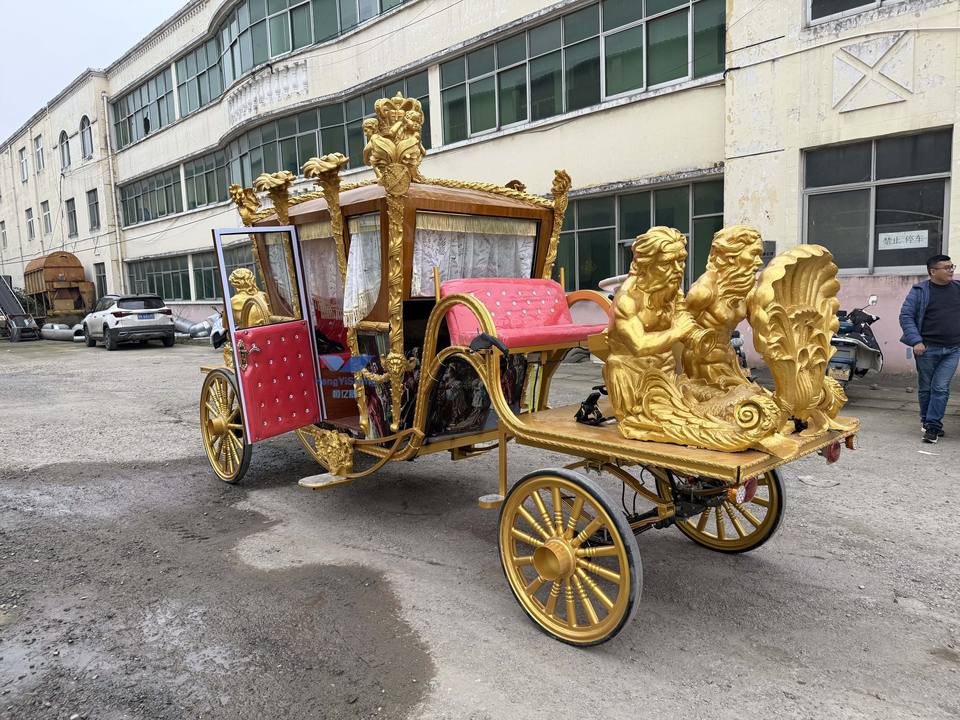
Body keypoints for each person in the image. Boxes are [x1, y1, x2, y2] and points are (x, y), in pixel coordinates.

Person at [899, 254, 960, 443]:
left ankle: (933, 426)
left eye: (952, 266)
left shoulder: (958, 288)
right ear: (933, 271)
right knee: (926, 388)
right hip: (926, 349)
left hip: (953, 349)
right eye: (946, 268)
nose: (951, 270)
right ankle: (927, 421)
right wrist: (916, 341)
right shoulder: (919, 291)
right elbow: (906, 316)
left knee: (940, 387)